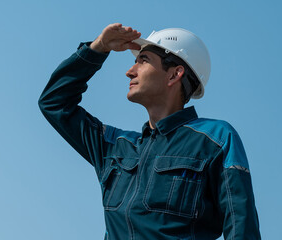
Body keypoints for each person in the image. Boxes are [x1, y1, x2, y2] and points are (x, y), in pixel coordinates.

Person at [38, 23, 261, 240]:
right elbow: (54, 103)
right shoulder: (115, 147)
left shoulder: (216, 139)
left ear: (174, 74)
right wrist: (98, 48)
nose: (129, 71)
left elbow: (241, 228)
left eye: (143, 61)